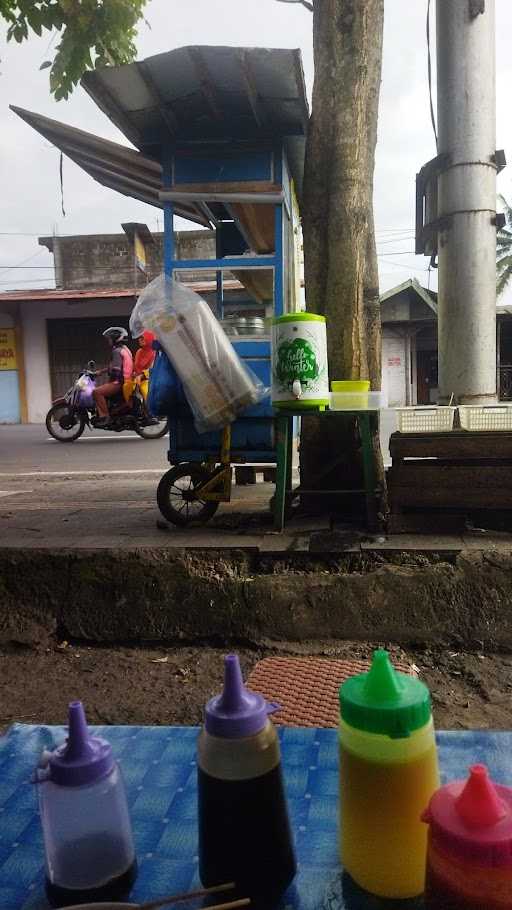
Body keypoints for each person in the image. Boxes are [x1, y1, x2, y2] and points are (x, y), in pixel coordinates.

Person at [93, 327, 133, 427]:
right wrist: (100, 372)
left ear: (115, 339)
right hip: (126, 381)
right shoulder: (124, 349)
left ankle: (106, 417)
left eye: (109, 339)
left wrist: (111, 378)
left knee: (96, 392)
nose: (108, 341)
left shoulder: (116, 352)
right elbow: (114, 366)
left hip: (118, 382)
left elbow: (116, 369)